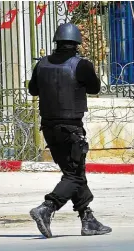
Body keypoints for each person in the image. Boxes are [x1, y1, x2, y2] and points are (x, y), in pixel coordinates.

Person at [27, 23, 112, 238]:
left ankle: (88, 219)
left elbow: (32, 90)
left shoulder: (42, 64)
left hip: (48, 127)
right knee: (73, 175)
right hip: (71, 128)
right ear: (76, 44)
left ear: (56, 41)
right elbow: (94, 88)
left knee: (75, 173)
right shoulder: (80, 65)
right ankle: (47, 208)